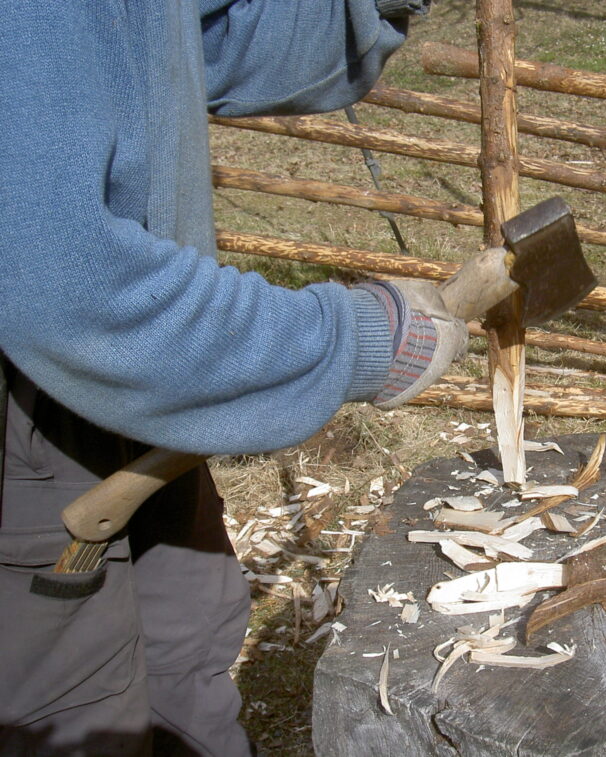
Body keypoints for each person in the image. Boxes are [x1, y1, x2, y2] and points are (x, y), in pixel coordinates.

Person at [0, 1, 465, 755]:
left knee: (190, 653)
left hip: (153, 394)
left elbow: (200, 40)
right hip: (35, 418)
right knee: (80, 715)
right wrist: (348, 341)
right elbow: (66, 285)